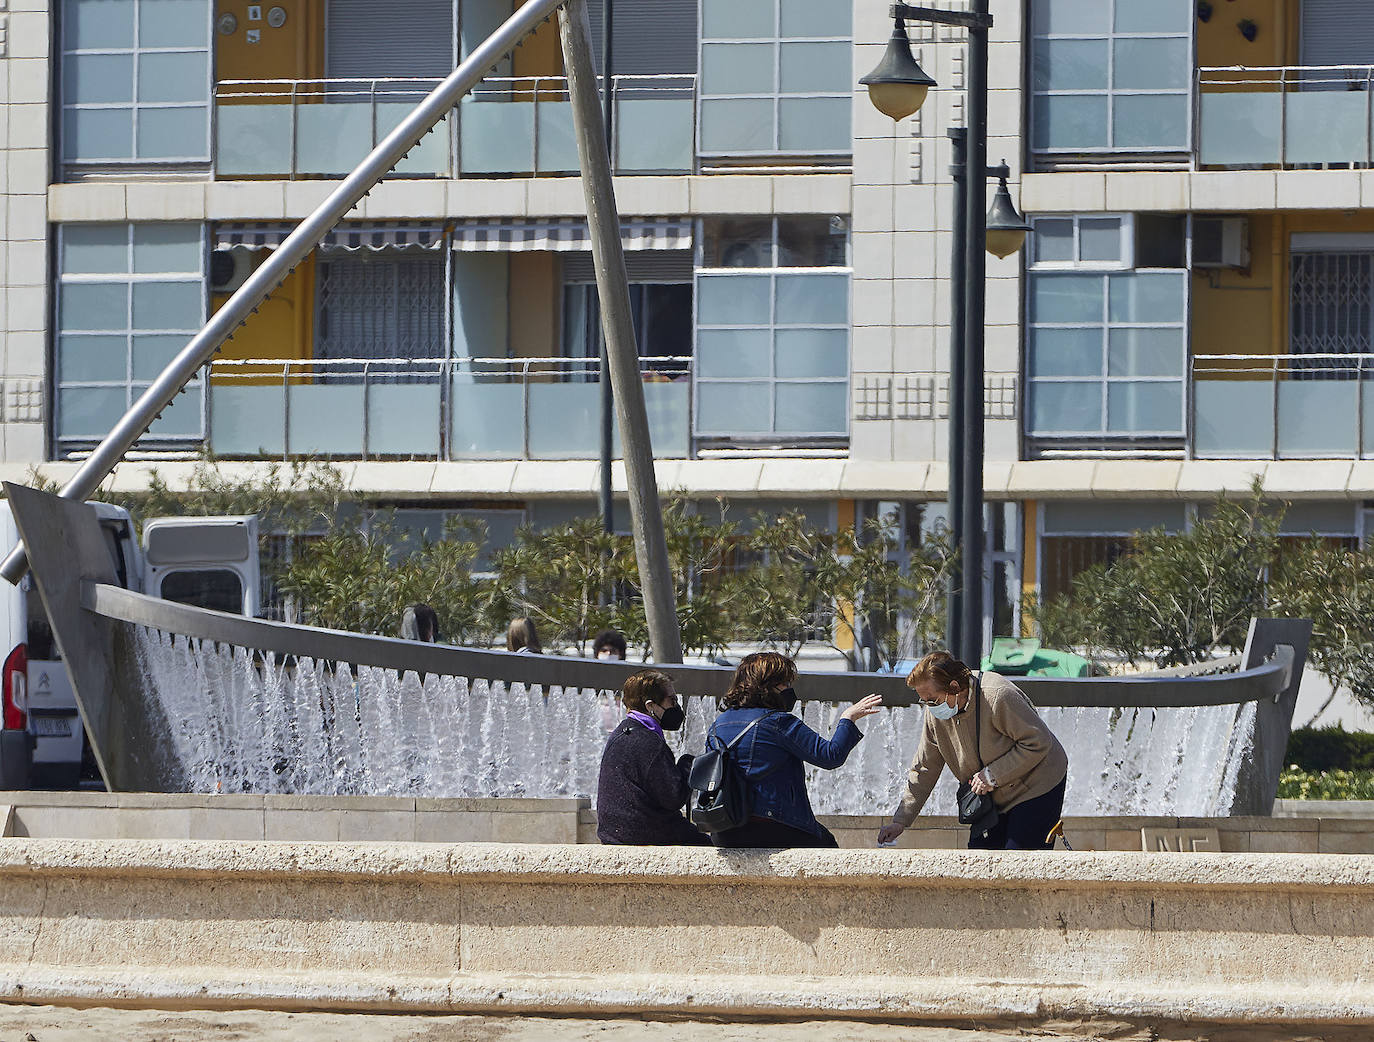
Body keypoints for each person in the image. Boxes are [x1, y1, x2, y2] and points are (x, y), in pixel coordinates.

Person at [877, 651, 1068, 851]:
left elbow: (1038, 742)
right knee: (979, 861)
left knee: (1019, 860)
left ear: (954, 687)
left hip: (1036, 785)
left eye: (931, 700)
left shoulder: (996, 695)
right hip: (991, 794)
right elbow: (925, 766)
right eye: (923, 701)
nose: (929, 706)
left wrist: (993, 774)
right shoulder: (935, 713)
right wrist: (901, 821)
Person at [706, 651, 883, 849]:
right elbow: (830, 756)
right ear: (767, 686)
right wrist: (848, 718)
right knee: (827, 846)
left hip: (725, 828)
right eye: (785, 684)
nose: (789, 690)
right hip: (771, 826)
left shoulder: (717, 725)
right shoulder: (778, 721)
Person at [596, 669, 711, 846]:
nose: (676, 707)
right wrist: (688, 765)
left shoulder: (622, 732)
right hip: (645, 833)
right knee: (712, 849)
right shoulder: (649, 742)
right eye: (672, 700)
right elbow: (673, 797)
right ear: (650, 706)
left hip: (616, 834)